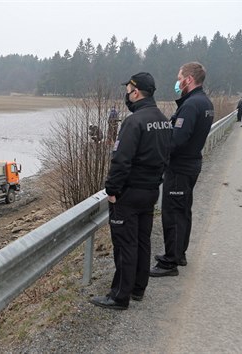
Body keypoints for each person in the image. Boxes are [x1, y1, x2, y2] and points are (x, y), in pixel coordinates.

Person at [90, 72, 172, 310]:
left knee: (125, 244)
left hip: (129, 194)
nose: (126, 95)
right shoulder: (163, 120)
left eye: (127, 91)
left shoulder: (133, 122)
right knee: (142, 241)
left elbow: (121, 161)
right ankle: (138, 287)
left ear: (136, 92)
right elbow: (167, 157)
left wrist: (112, 190)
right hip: (150, 192)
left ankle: (119, 296)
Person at [151, 62, 214, 277]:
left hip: (180, 167)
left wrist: (157, 154)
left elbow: (176, 141)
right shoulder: (205, 102)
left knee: (173, 213)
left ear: (188, 79)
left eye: (179, 78)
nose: (177, 83)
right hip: (192, 164)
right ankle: (179, 253)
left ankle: (170, 262)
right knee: (184, 210)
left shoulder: (190, 105)